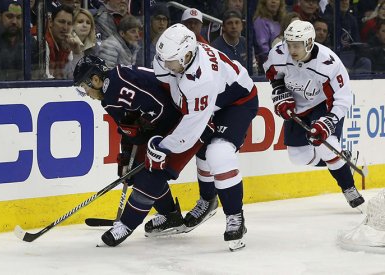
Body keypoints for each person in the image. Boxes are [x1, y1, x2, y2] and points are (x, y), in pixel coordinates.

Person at [72, 55, 213, 247]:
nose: (85, 92)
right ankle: (169, 215)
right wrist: (125, 156)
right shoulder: (108, 95)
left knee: (153, 172)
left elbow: (164, 109)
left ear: (95, 79)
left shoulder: (120, 83)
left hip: (186, 119)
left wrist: (147, 126)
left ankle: (127, 224)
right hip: (167, 121)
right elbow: (127, 126)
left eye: (84, 87)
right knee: (135, 169)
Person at [152, 23, 259, 251]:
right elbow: (167, 83)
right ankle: (208, 200)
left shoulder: (203, 79)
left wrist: (162, 148)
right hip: (211, 103)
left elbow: (188, 134)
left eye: (170, 60)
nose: (164, 64)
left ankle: (235, 216)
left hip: (236, 102)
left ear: (188, 55)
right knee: (203, 149)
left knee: (218, 153)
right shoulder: (172, 59)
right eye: (162, 58)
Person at [263, 20, 365, 210]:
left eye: (297, 45)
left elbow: (342, 99)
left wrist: (328, 121)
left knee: (327, 147)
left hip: (323, 105)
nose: (291, 50)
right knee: (298, 157)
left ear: (309, 43)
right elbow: (272, 74)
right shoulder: (279, 53)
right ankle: (343, 159)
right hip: (299, 107)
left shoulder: (328, 63)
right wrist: (280, 93)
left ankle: (348, 187)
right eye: (289, 44)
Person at [253, 0, 287, 72]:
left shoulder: (282, 20)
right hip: (268, 68)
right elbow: (263, 49)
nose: (273, 1)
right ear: (264, 2)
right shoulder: (260, 21)